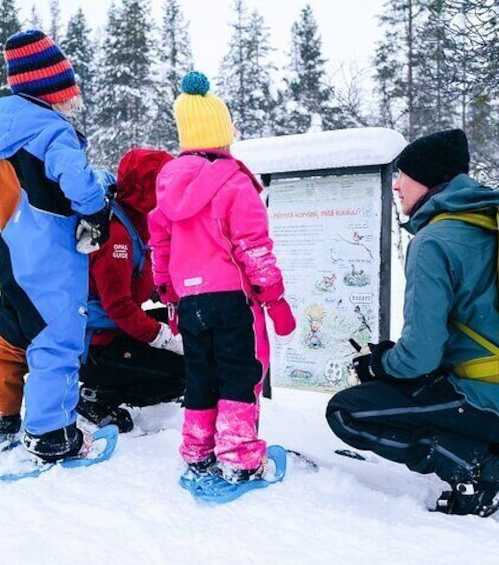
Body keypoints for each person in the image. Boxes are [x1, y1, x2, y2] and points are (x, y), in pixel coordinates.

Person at [326, 129, 499, 517]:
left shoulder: (434, 241)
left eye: (404, 176)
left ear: (429, 180)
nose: (397, 186)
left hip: (486, 406)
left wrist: (376, 365)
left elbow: (420, 356)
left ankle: (479, 474)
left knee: (347, 412)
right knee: (425, 391)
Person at [0, 30, 112, 463]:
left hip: (11, 253)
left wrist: (16, 214)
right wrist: (94, 209)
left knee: (9, 339)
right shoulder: (53, 132)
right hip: (51, 262)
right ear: (52, 90)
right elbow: (81, 187)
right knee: (56, 341)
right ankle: (51, 435)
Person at [149, 71, 296, 486]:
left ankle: (197, 452)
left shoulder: (167, 188)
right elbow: (253, 246)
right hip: (232, 299)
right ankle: (238, 457)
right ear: (221, 134)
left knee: (201, 375)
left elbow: (160, 247)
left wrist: (170, 294)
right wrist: (274, 298)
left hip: (191, 302)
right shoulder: (235, 184)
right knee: (238, 373)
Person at [76, 148, 186, 433]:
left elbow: (141, 281)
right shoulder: (117, 236)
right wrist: (162, 337)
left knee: (189, 333)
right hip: (98, 342)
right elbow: (118, 305)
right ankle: (96, 396)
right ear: (147, 189)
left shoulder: (137, 220)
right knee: (183, 370)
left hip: (115, 330)